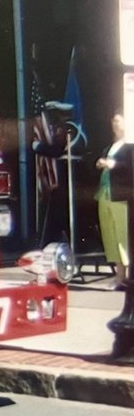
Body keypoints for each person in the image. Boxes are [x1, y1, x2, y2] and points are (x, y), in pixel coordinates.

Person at [96, 112, 131, 290]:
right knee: (111, 235)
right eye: (113, 121)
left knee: (123, 234)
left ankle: (125, 276)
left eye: (118, 121)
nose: (114, 124)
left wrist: (113, 165)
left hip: (121, 195)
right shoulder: (110, 146)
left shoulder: (129, 145)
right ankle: (119, 276)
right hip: (106, 193)